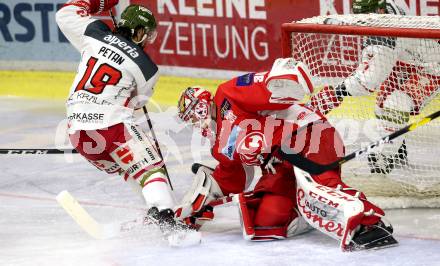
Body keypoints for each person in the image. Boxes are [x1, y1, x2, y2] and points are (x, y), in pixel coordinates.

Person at [175, 58, 398, 250]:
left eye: (193, 115)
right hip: (280, 165)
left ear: (201, 106)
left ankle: (370, 223)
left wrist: (285, 78)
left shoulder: (228, 94)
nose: (195, 123)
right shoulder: (219, 146)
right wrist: (192, 212)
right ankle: (308, 210)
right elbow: (230, 180)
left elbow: (267, 85)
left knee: (322, 186)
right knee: (265, 220)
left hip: (307, 134)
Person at [56, 0, 188, 234]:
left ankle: (155, 210)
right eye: (146, 35)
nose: (147, 41)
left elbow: (65, 13)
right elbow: (138, 103)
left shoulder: (94, 33)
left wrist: (100, 3)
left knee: (125, 169)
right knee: (150, 169)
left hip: (77, 131)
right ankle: (168, 221)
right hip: (113, 126)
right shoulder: (148, 68)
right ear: (138, 32)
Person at [310, 0, 440, 174]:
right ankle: (398, 151)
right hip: (405, 60)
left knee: (396, 103)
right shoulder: (383, 10)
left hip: (432, 67)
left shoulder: (383, 34)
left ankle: (385, 157)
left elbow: (368, 82)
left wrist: (336, 93)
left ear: (379, 9)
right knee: (381, 108)